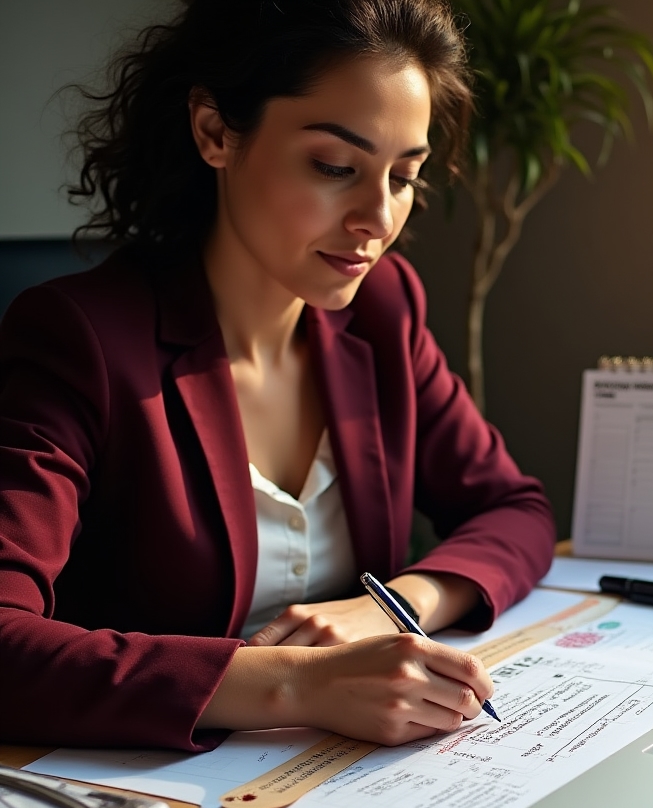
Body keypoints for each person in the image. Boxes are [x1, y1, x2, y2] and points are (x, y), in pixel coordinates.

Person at [0, 0, 555, 752]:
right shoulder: (79, 339)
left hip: (337, 784)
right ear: (215, 132)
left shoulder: (383, 313)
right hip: (152, 793)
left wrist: (400, 606)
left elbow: (514, 509)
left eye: (403, 176)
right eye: (335, 167)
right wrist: (298, 684)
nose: (376, 218)